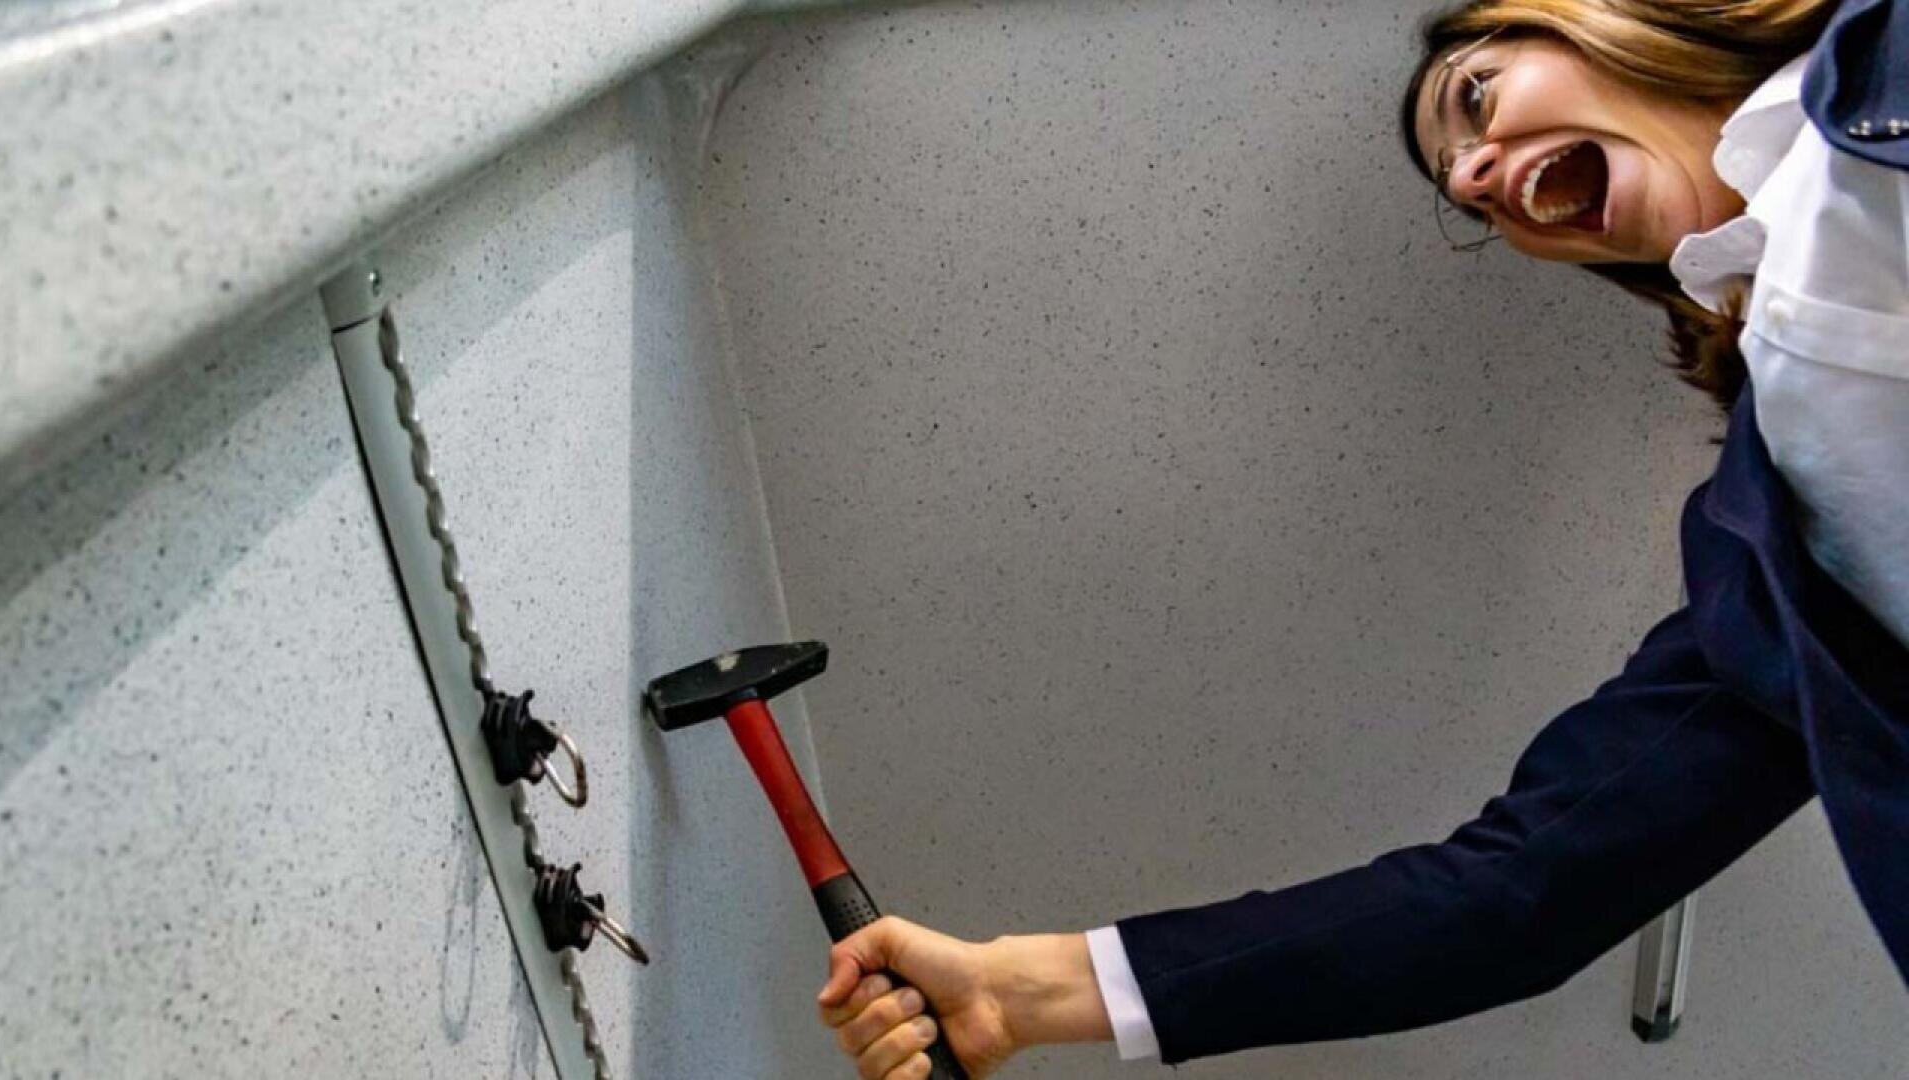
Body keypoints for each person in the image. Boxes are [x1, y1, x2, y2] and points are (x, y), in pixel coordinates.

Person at [815, 0, 1909, 1076]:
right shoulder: (1784, 551)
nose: (1474, 179)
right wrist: (1024, 991)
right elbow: (1524, 889)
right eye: (1461, 186)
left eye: (1476, 97)